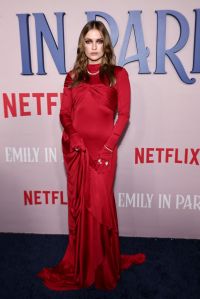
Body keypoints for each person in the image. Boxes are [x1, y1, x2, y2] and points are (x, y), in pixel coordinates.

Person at [36, 20, 146, 291]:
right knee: (82, 208)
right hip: (78, 151)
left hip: (105, 154)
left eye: (99, 41)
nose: (94, 47)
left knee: (101, 208)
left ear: (105, 44)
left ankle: (104, 264)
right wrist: (73, 134)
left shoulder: (118, 74)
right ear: (82, 45)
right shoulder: (72, 76)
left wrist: (109, 148)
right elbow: (64, 113)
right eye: (89, 41)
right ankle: (84, 263)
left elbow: (125, 116)